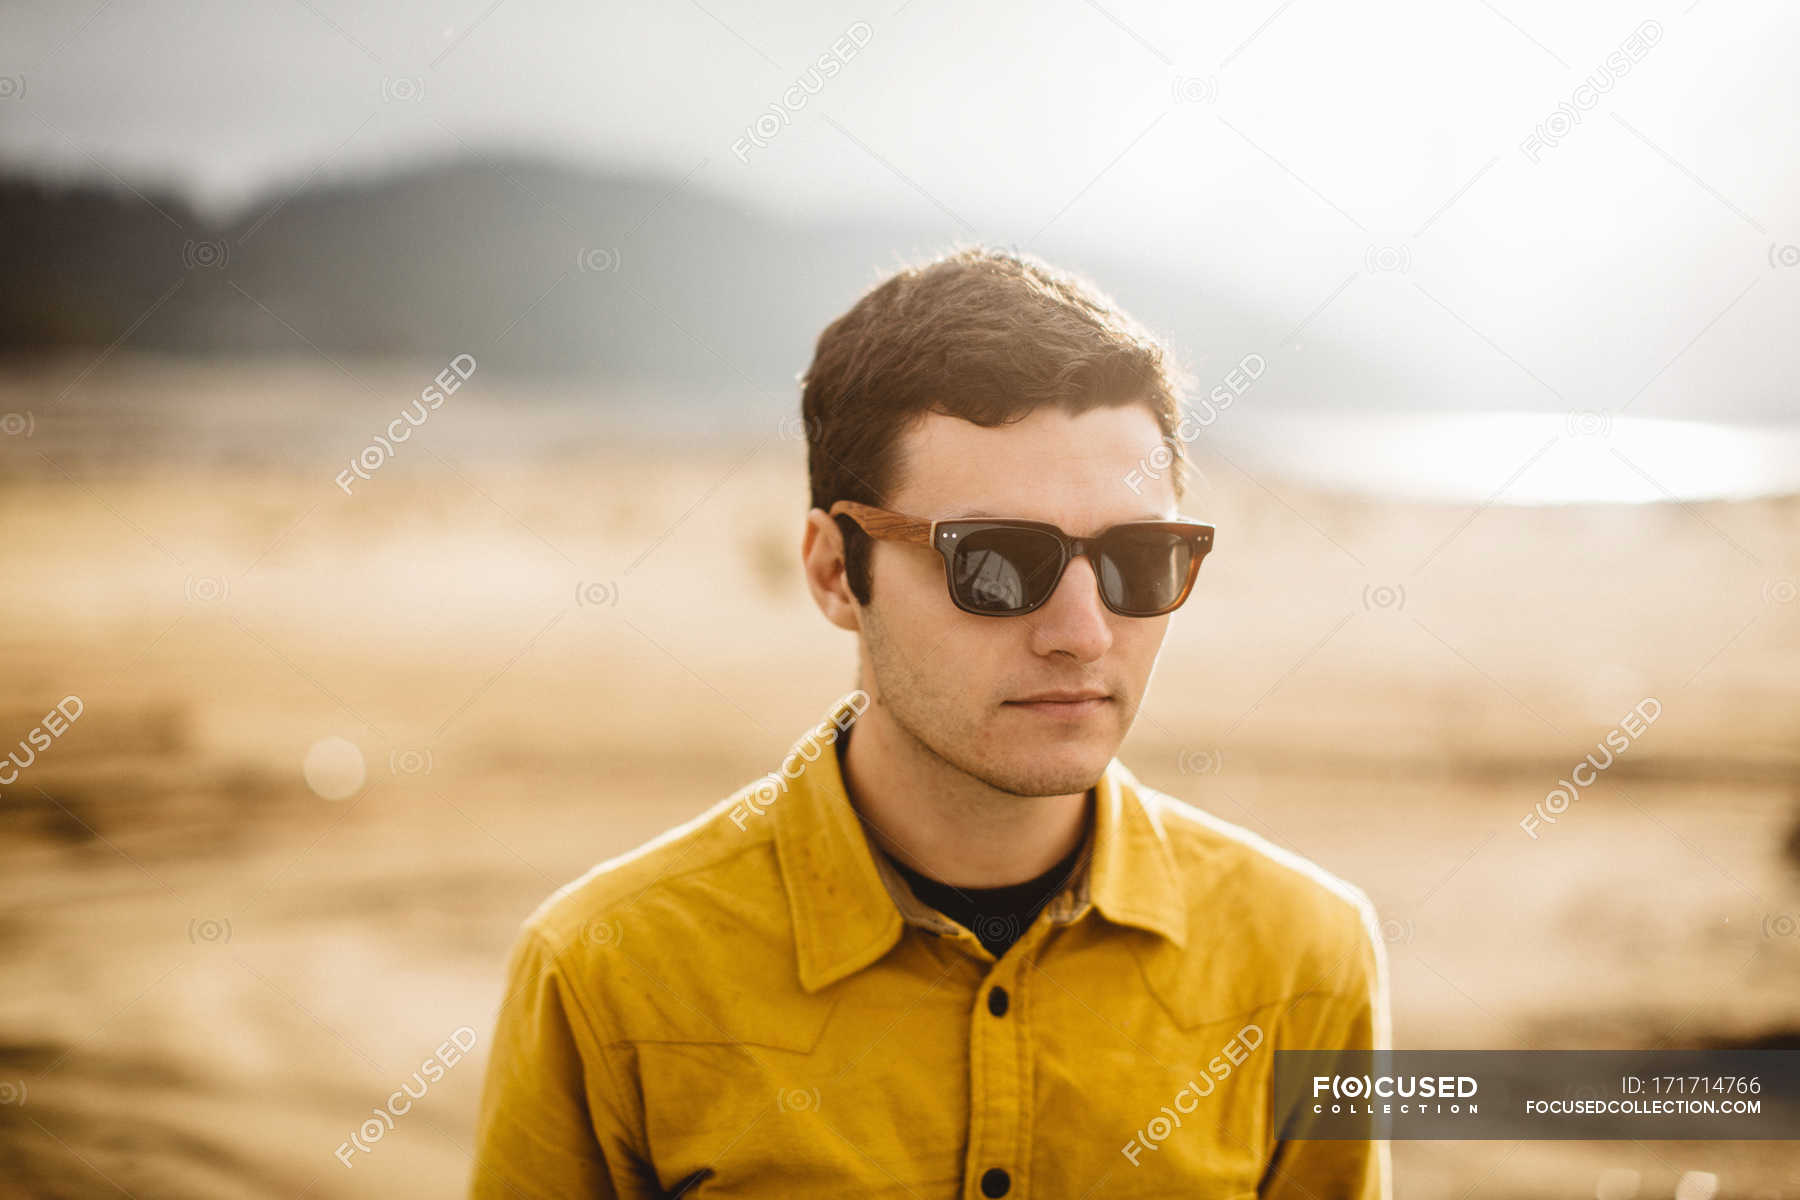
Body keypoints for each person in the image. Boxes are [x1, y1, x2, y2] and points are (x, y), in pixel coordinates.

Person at [468, 245, 1390, 1198]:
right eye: (994, 562)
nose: (1082, 635)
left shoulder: (1305, 958)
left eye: (1140, 559)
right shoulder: (605, 977)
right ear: (835, 573)